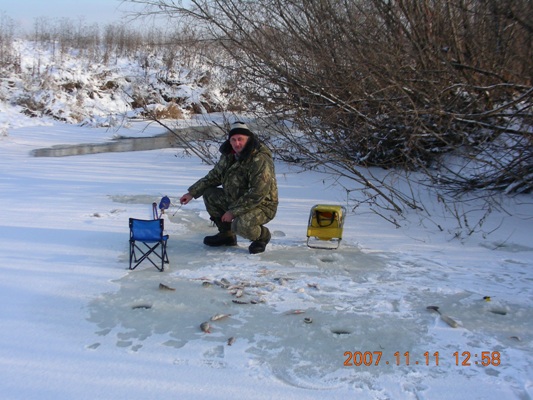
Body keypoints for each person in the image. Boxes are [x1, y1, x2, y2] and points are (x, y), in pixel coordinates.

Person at [179, 121, 278, 254]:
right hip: (236, 199)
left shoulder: (259, 159)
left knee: (241, 224)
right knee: (210, 194)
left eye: (241, 139)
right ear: (229, 141)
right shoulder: (229, 155)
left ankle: (262, 236)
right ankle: (227, 235)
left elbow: (257, 193)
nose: (237, 143)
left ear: (249, 139)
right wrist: (192, 193)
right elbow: (215, 176)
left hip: (262, 205)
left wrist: (233, 212)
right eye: (233, 139)